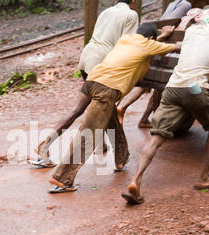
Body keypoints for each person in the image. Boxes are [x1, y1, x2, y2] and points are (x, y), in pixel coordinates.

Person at [121, 11, 209, 205]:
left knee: (157, 137)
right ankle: (204, 178)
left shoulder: (192, 30)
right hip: (195, 88)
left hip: (172, 87)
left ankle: (135, 181)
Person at [49, 23, 181, 193]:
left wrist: (159, 37)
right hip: (107, 90)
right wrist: (168, 34)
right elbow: (176, 47)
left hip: (92, 81)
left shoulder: (126, 39)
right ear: (150, 38)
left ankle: (121, 159)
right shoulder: (148, 45)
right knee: (88, 134)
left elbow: (147, 44)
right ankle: (62, 177)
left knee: (114, 124)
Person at [31, 0, 139, 168]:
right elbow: (127, 46)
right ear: (133, 1)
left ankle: (120, 157)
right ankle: (119, 157)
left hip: (87, 59)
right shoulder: (131, 15)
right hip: (102, 65)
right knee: (100, 108)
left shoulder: (106, 12)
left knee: (85, 109)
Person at [116, 0, 193, 128]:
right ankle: (125, 108)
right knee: (152, 87)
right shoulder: (186, 5)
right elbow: (170, 28)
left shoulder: (173, 4)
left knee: (152, 87)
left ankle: (140, 116)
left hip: (155, 42)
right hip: (161, 46)